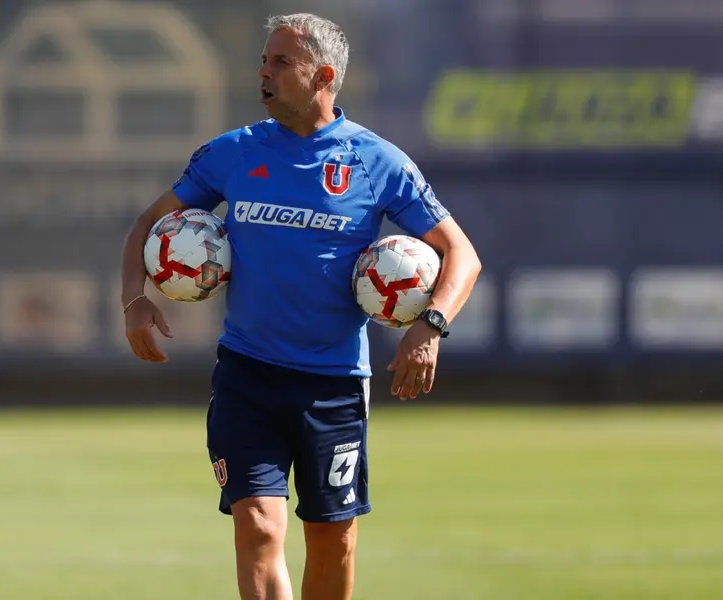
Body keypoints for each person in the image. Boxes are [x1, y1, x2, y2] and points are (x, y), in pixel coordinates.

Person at [120, 13, 481, 600]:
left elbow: (461, 254)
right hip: (247, 376)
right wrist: (134, 298)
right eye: (264, 61)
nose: (264, 72)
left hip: (334, 385)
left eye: (281, 62)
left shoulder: (377, 161)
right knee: (259, 528)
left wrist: (431, 325)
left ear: (324, 75)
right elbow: (147, 225)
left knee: (333, 540)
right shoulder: (232, 153)